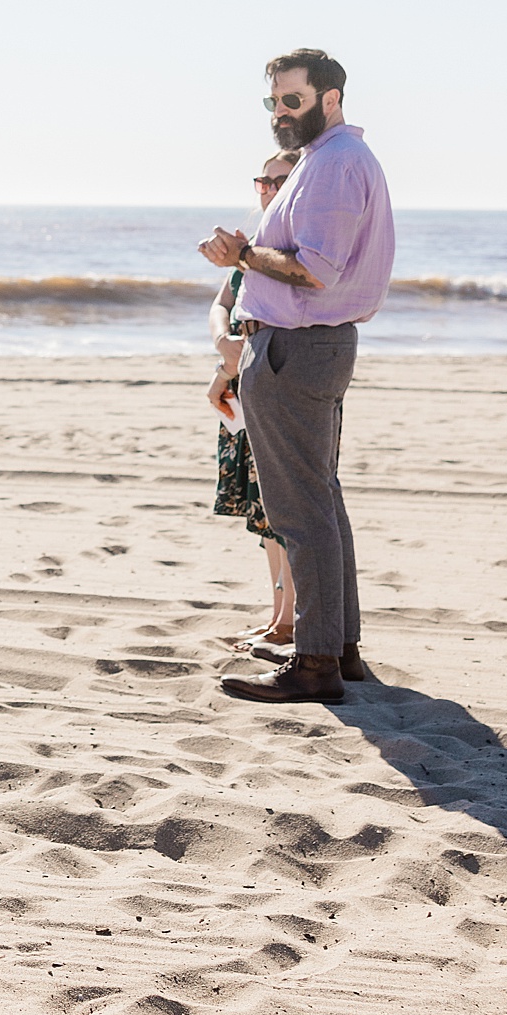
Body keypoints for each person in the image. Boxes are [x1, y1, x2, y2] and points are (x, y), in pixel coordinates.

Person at [198, 49, 395, 704]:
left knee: (301, 512)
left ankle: (315, 665)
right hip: (305, 347)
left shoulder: (335, 163)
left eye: (293, 101)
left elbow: (316, 271)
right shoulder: (328, 160)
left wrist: (242, 255)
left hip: (296, 350)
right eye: (274, 103)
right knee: (320, 502)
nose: (281, 114)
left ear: (329, 99)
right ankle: (339, 651)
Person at [207, 149, 301, 656]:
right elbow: (223, 304)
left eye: (279, 180)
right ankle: (277, 616)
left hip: (273, 379)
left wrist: (227, 366)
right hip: (244, 384)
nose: (267, 189)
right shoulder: (254, 244)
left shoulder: (286, 248)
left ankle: (290, 621)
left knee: (285, 509)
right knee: (264, 515)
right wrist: (222, 345)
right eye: (262, 180)